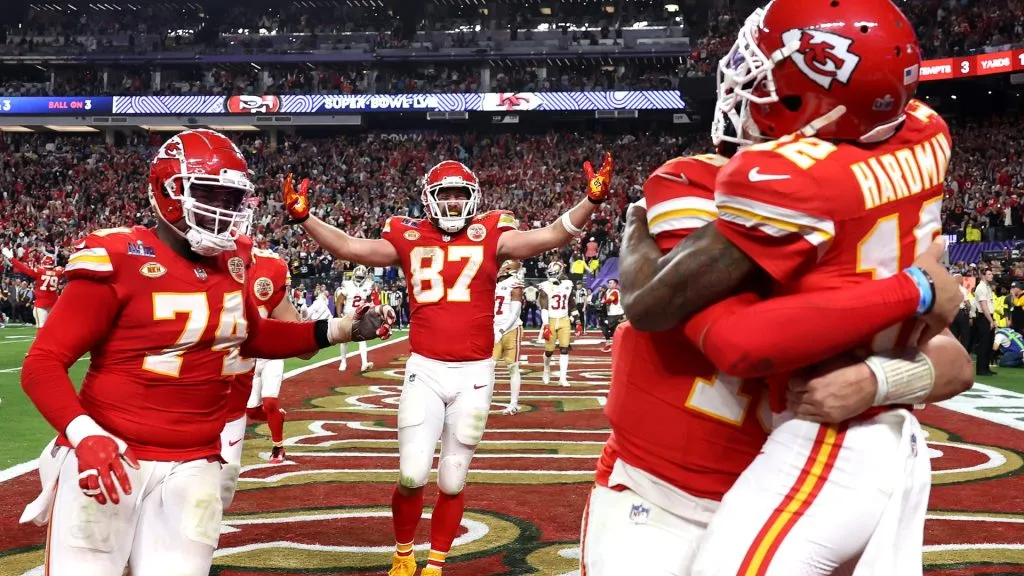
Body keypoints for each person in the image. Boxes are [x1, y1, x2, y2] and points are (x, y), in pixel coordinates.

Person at [620, 2, 971, 573]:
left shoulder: (780, 183)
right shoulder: (922, 130)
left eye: (763, 72)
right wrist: (904, 327)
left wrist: (902, 322)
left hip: (826, 444)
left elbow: (694, 324)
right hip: (854, 446)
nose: (747, 81)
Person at [17, 129, 395, 576]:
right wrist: (85, 435)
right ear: (169, 190)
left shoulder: (234, 260)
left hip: (194, 460)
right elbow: (42, 364)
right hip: (111, 452)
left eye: (230, 199)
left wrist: (342, 327)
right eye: (209, 194)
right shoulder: (118, 255)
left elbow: (251, 336)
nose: (222, 211)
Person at [582, 141, 970, 575]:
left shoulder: (844, 222)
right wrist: (911, 288)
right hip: (658, 488)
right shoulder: (699, 182)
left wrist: (876, 379)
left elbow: (956, 364)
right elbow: (669, 307)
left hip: (778, 498)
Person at [281, 154, 614, 576]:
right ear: (430, 198)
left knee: (453, 479)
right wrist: (305, 218)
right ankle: (404, 554)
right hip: (426, 369)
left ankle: (435, 563)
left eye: (460, 195)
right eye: (446, 194)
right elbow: (349, 246)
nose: (454, 203)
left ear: (472, 198)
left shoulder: (492, 233)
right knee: (412, 473)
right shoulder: (407, 235)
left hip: (475, 374)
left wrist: (591, 201)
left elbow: (549, 236)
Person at [220, 244, 309, 509]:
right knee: (254, 411)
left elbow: (302, 344)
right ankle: (276, 419)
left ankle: (278, 446)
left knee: (269, 403)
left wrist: (331, 330)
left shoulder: (270, 269)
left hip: (267, 355)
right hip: (236, 367)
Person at [493, 259, 525, 415]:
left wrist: (501, 330)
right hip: (494, 329)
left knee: (512, 367)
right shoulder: (495, 283)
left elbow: (515, 312)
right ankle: (482, 400)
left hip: (510, 329)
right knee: (488, 367)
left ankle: (513, 403)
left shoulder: (515, 284)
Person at [2, 248, 63, 328]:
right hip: (53, 303)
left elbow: (23, 268)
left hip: (41, 303)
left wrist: (11, 258)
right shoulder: (59, 272)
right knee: (52, 328)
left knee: (41, 328)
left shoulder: (39, 271)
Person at [538, 260, 577, 386]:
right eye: (551, 273)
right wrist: (545, 325)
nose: (552, 275)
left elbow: (571, 303)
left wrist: (577, 319)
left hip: (564, 319)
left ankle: (563, 378)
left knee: (564, 348)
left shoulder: (568, 284)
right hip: (551, 319)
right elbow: (544, 307)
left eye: (555, 272)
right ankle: (546, 369)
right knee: (549, 351)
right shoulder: (544, 286)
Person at [336, 264, 380, 371]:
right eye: (358, 277)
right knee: (344, 340)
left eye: (361, 277)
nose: (359, 279)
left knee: (362, 339)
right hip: (347, 314)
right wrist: (339, 316)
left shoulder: (368, 285)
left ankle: (364, 362)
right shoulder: (347, 284)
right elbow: (339, 302)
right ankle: (343, 362)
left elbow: (370, 301)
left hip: (360, 316)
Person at [600, 278, 623, 352]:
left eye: (611, 283)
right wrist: (603, 301)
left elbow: (610, 299)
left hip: (616, 314)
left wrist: (604, 302)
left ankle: (608, 344)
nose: (609, 284)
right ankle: (613, 344)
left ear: (615, 284)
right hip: (611, 314)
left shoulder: (615, 291)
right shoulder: (608, 291)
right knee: (613, 330)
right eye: (609, 283)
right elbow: (603, 299)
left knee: (605, 327)